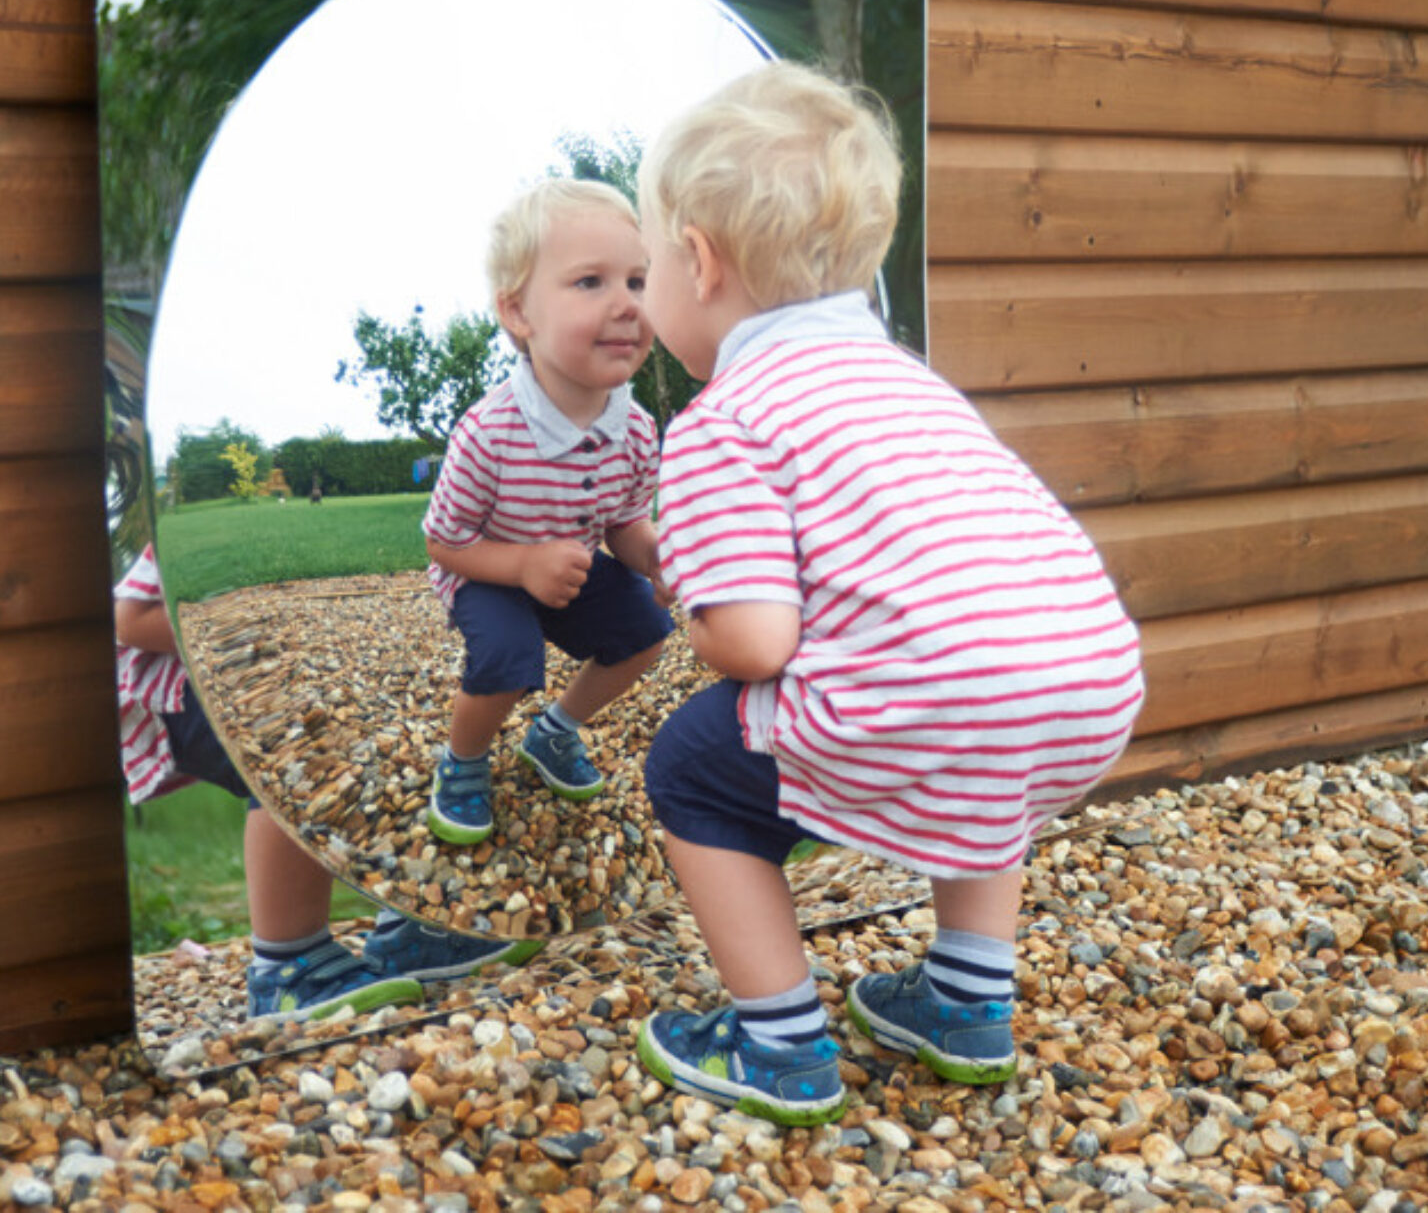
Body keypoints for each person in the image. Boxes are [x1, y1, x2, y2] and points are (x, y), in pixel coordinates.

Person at [632, 62, 1145, 1125]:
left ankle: (774, 1041)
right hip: (1086, 684)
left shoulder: (724, 418)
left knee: (691, 762)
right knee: (980, 729)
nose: (642, 299)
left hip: (945, 695)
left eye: (644, 271)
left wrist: (695, 603)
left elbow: (757, 640)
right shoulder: (912, 382)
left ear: (696, 259)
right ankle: (964, 1000)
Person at [115, 546, 535, 1023]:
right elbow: (131, 619)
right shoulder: (203, 521)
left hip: (249, 660)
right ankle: (286, 968)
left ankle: (411, 928)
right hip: (165, 679)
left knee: (397, 722)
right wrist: (276, 633)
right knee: (297, 749)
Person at [421, 178, 672, 845]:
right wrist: (525, 564)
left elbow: (623, 520)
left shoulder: (637, 429)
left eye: (639, 282)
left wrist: (655, 557)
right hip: (489, 570)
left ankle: (554, 731)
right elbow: (444, 543)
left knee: (645, 630)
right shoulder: (491, 432)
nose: (627, 304)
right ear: (519, 314)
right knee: (507, 654)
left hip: (568, 569)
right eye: (591, 282)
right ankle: (463, 761)